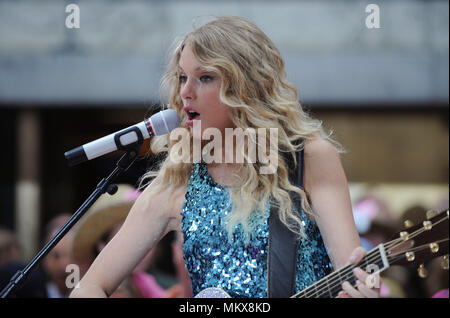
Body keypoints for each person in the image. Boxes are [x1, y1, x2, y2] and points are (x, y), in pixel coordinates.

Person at [70, 16, 378, 298]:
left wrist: (364, 291)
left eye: (204, 77)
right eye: (181, 77)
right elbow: (89, 287)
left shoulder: (307, 159)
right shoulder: (179, 179)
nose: (185, 92)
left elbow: (354, 272)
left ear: (245, 86)